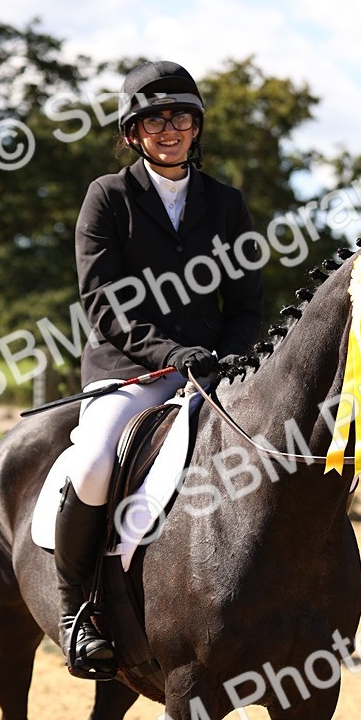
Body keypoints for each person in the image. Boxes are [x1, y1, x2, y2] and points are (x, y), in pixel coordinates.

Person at [54, 59, 264, 678]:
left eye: (179, 117)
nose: (168, 129)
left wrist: (230, 361)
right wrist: (169, 355)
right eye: (153, 120)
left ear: (196, 128)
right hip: (131, 369)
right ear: (133, 133)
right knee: (94, 463)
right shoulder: (107, 198)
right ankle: (78, 611)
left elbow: (246, 302)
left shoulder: (226, 203)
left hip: (214, 373)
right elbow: (104, 302)